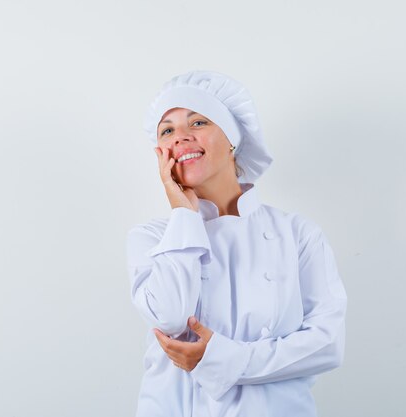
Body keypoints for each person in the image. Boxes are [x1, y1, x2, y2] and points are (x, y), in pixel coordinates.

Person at [125, 71, 347, 417]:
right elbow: (169, 318)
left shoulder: (297, 234)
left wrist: (225, 360)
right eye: (167, 130)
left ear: (232, 139)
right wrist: (183, 216)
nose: (180, 137)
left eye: (198, 122)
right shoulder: (152, 238)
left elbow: (327, 343)